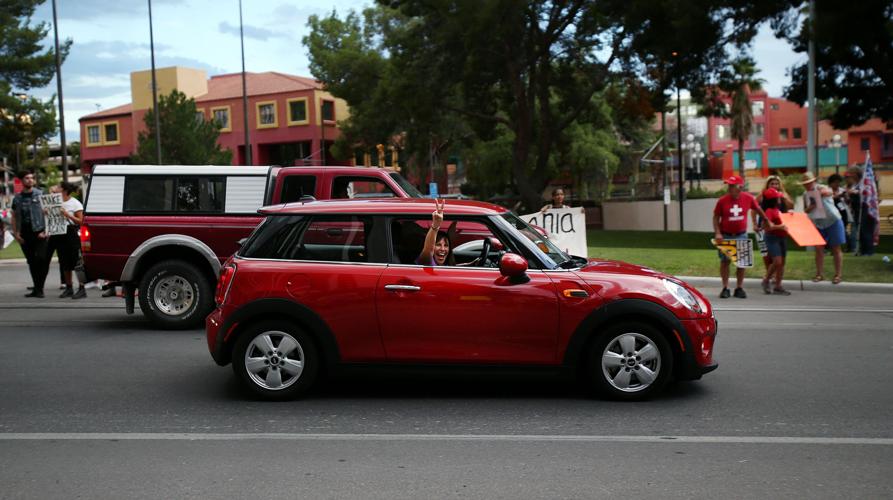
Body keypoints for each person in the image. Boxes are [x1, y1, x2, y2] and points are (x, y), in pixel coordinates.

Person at [713, 175, 768, 299]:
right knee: (725, 261)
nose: (730, 188)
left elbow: (758, 209)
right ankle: (725, 288)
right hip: (726, 235)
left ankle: (739, 288)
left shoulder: (748, 198)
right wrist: (717, 232)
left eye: (733, 185)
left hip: (741, 235)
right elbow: (716, 217)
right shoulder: (722, 200)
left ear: (740, 187)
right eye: (729, 185)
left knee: (742, 263)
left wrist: (765, 220)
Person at [10, 171, 49, 298]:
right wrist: (16, 233)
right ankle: (37, 289)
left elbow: (50, 214)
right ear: (22, 181)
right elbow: (14, 217)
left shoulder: (41, 194)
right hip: (25, 234)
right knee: (31, 262)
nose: (30, 180)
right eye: (27, 178)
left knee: (42, 259)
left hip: (40, 232)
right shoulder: (17, 198)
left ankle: (39, 288)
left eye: (32, 178)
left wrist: (46, 231)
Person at [801, 173, 845, 284]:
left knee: (836, 248)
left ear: (813, 181)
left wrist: (820, 193)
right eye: (805, 183)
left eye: (809, 182)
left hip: (832, 220)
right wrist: (812, 206)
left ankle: (838, 275)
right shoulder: (805, 194)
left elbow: (829, 192)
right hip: (818, 223)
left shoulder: (820, 187)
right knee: (819, 249)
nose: (807, 185)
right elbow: (805, 210)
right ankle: (819, 274)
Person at [752, 175, 794, 287]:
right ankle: (769, 276)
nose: (775, 186)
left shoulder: (783, 195)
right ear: (768, 184)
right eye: (772, 183)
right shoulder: (763, 195)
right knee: (767, 255)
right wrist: (755, 224)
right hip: (766, 228)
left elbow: (791, 206)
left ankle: (776, 280)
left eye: (777, 183)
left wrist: (784, 198)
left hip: (781, 229)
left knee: (779, 257)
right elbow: (754, 209)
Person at [55, 182, 87, 299]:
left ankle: (82, 288)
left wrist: (68, 215)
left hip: (71, 234)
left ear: (64, 190)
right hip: (60, 234)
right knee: (64, 262)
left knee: (77, 262)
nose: (56, 188)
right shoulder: (56, 203)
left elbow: (81, 221)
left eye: (58, 187)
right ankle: (69, 287)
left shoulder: (74, 203)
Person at [760, 188, 791, 295]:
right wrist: (780, 227)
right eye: (778, 197)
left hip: (781, 238)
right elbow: (766, 227)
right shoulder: (769, 211)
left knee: (782, 263)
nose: (780, 198)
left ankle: (778, 286)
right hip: (772, 238)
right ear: (773, 199)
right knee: (777, 261)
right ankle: (766, 280)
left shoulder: (777, 210)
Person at [417, 199, 455, 266]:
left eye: (446, 245)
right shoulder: (427, 261)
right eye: (438, 245)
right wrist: (435, 225)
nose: (442, 249)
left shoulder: (448, 265)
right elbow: (428, 249)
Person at [844, 167, 862, 253]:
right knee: (852, 231)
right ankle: (853, 248)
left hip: (860, 211)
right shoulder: (848, 188)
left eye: (849, 177)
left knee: (856, 230)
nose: (848, 179)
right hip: (852, 212)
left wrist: (853, 192)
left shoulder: (860, 185)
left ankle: (856, 248)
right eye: (847, 177)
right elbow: (848, 201)